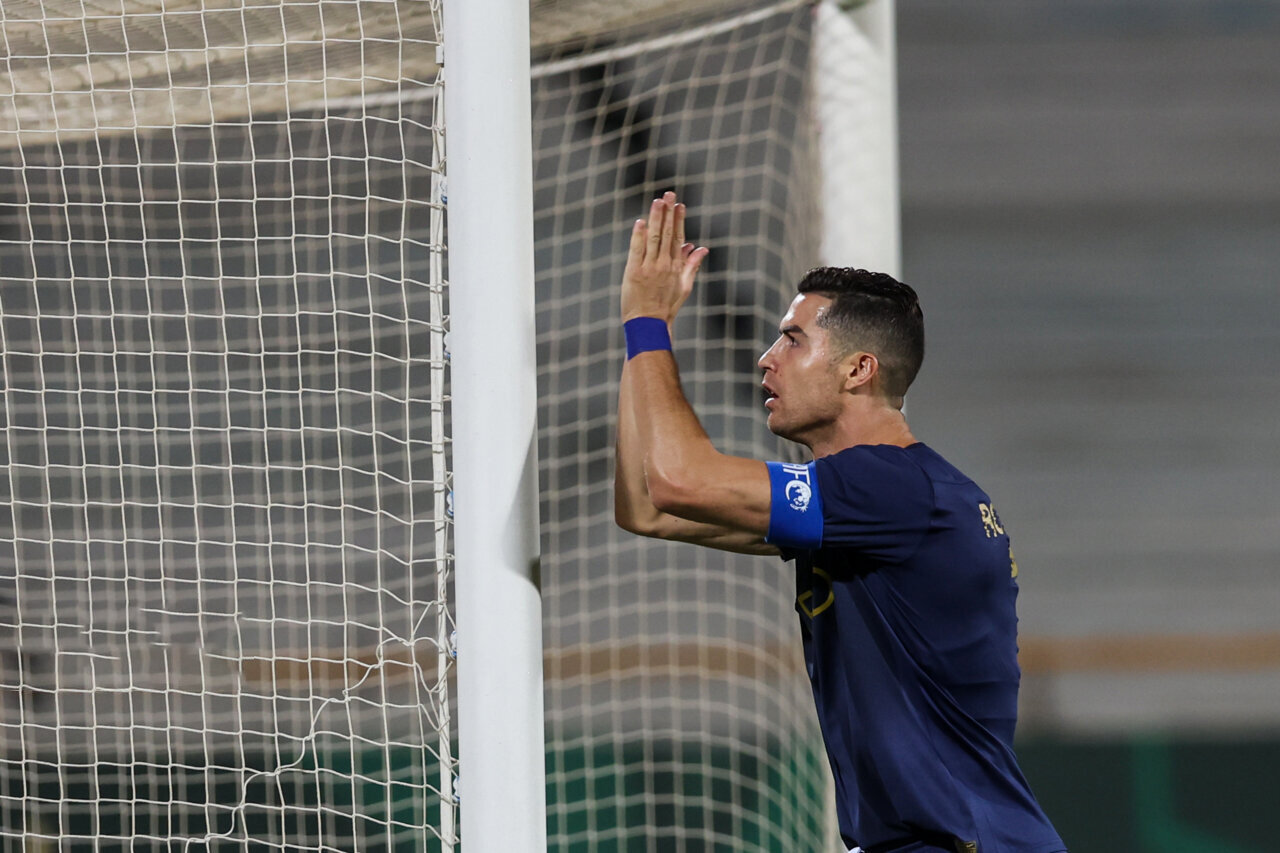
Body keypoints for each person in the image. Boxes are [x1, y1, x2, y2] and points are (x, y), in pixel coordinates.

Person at [614, 192, 1067, 853]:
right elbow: (647, 505)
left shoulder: (892, 488)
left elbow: (678, 477)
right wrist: (639, 330)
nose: (767, 357)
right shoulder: (870, 504)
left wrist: (649, 322)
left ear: (859, 369)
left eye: (793, 339)